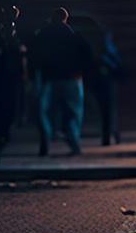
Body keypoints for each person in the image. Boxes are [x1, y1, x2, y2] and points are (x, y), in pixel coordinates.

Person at [29, 8, 92, 157]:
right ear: (65, 18)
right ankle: (73, 142)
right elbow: (85, 54)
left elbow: (34, 56)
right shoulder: (73, 34)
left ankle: (46, 139)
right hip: (71, 78)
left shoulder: (43, 34)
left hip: (49, 78)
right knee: (73, 112)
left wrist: (35, 75)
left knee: (44, 111)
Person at [0, 1, 23, 163]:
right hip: (5, 79)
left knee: (4, 115)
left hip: (5, 79)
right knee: (4, 115)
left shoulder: (7, 33)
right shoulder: (7, 35)